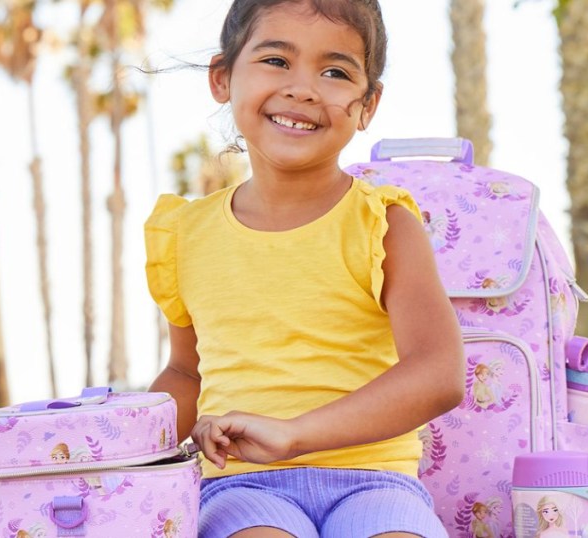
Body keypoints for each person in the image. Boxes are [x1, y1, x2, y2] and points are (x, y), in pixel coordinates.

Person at [145, 1, 465, 536]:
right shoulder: (184, 235)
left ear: (368, 105)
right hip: (240, 485)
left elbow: (438, 372)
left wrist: (296, 433)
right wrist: (112, 449)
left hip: (376, 483)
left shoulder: (385, 226)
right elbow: (186, 373)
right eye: (275, 60)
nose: (303, 88)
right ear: (222, 78)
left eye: (336, 72)